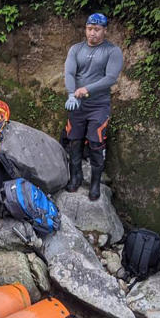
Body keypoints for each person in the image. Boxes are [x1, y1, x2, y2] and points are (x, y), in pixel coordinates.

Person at [61, 13, 123, 201]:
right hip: (77, 105)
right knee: (74, 141)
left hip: (99, 106)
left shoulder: (112, 51)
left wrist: (86, 89)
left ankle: (95, 183)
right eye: (89, 29)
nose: (92, 33)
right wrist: (72, 93)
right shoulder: (76, 49)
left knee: (96, 143)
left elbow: (110, 78)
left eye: (97, 30)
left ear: (104, 30)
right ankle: (75, 177)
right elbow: (69, 72)